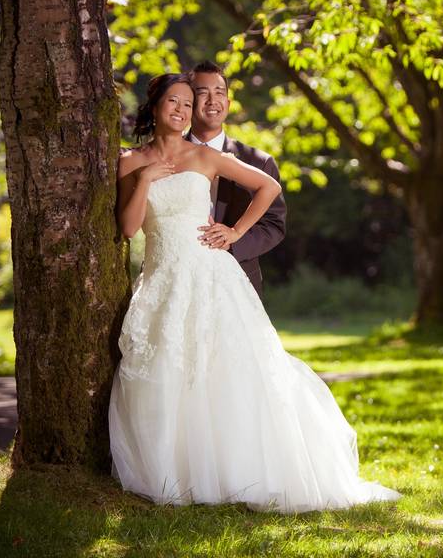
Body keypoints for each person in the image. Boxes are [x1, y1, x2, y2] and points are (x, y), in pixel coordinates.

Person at [108, 72, 401, 512]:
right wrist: (146, 178)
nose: (182, 111)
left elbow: (269, 186)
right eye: (174, 102)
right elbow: (129, 228)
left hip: (210, 274)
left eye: (188, 104)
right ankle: (174, 471)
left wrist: (235, 231)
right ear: (154, 107)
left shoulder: (204, 156)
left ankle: (236, 469)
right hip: (161, 278)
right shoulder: (129, 162)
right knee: (167, 367)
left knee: (225, 369)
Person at [187, 60, 286, 298]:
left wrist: (234, 239)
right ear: (189, 102)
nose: (212, 101)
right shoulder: (167, 155)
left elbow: (274, 224)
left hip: (238, 282)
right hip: (179, 276)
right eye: (203, 93)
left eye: (219, 93)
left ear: (228, 104)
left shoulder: (258, 162)